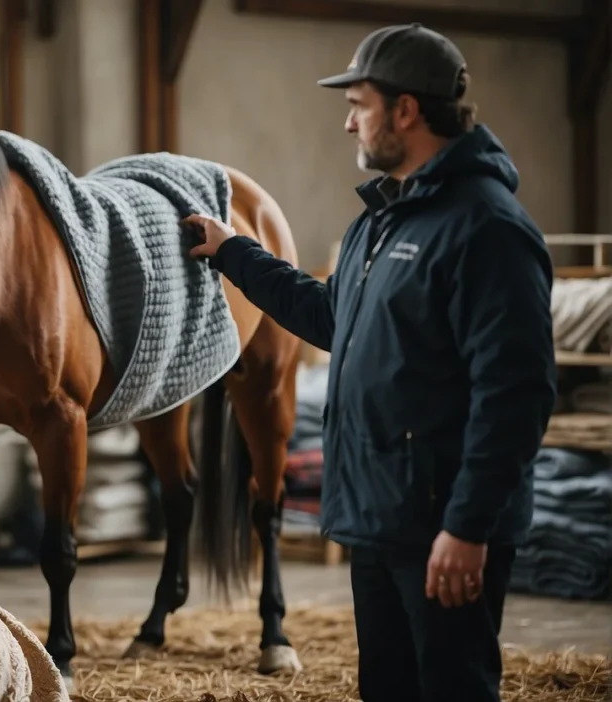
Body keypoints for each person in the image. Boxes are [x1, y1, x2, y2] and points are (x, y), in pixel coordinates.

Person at [185, 22, 557, 702]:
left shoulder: (488, 230)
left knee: (453, 688)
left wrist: (467, 527)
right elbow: (331, 317)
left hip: (441, 527)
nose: (349, 125)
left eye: (358, 105)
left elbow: (516, 395)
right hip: (377, 517)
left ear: (406, 110)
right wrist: (232, 251)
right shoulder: (380, 224)